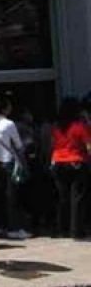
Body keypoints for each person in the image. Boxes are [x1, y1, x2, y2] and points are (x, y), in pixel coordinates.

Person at [0, 96, 29, 240]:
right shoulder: (9, 123)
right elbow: (19, 144)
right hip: (9, 161)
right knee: (12, 196)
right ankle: (15, 227)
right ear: (5, 108)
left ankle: (0, 226)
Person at [50, 98, 90, 239]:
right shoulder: (80, 126)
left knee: (62, 198)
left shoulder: (56, 127)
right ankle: (76, 231)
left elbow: (52, 144)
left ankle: (61, 229)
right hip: (76, 161)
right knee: (77, 198)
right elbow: (89, 146)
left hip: (58, 162)